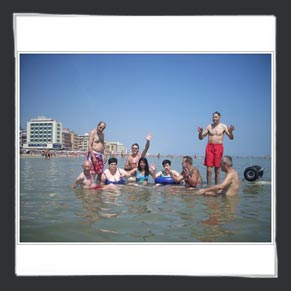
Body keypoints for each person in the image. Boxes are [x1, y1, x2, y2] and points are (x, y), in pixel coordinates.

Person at [198, 111, 235, 185]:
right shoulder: (209, 126)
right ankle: (208, 187)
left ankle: (217, 187)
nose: (214, 118)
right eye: (213, 117)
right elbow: (201, 138)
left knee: (217, 169)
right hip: (209, 147)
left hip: (219, 147)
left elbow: (231, 138)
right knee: (209, 170)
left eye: (216, 117)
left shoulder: (223, 126)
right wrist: (200, 132)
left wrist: (231, 132)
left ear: (219, 118)